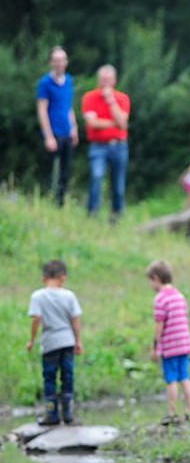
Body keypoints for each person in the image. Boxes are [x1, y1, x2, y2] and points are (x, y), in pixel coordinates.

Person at [26, 260, 83, 426]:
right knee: (68, 376)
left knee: (49, 378)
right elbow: (75, 320)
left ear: (44, 278)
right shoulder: (69, 296)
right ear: (62, 277)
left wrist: (31, 340)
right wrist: (78, 341)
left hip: (49, 343)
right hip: (67, 341)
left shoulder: (37, 296)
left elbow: (36, 319)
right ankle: (68, 414)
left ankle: (51, 415)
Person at [146, 260, 190, 426]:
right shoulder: (180, 296)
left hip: (170, 346)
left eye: (150, 281)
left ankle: (172, 413)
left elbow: (159, 326)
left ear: (156, 278)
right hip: (184, 344)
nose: (150, 285)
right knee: (185, 377)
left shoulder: (160, 299)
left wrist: (155, 347)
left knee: (171, 379)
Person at [81, 64, 130, 221]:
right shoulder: (89, 97)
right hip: (98, 147)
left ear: (114, 81)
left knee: (118, 186)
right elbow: (92, 124)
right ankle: (92, 214)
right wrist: (114, 123)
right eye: (103, 80)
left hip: (119, 146)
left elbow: (123, 124)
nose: (105, 83)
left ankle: (116, 216)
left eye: (108, 80)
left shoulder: (122, 99)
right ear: (98, 80)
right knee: (96, 176)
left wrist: (111, 101)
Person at [36, 46, 79, 207]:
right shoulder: (44, 83)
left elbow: (68, 106)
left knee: (65, 173)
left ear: (66, 62)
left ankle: (60, 204)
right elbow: (42, 110)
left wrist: (74, 127)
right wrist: (48, 136)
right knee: (49, 172)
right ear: (51, 62)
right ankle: (46, 202)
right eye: (56, 60)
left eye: (62, 60)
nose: (59, 63)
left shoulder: (69, 80)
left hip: (67, 132)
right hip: (53, 133)